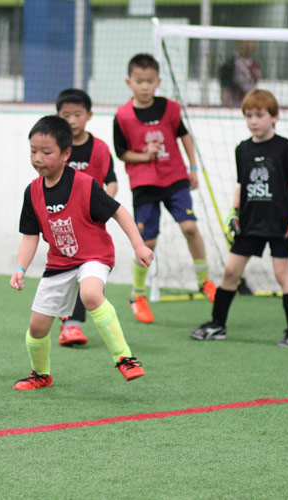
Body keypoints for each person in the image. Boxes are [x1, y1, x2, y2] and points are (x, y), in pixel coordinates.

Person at [10, 115, 153, 390]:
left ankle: (125, 358)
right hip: (59, 263)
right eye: (33, 151)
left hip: (94, 256)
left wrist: (138, 244)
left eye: (46, 152)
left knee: (90, 294)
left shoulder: (84, 184)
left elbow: (119, 211)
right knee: (37, 327)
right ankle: (41, 374)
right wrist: (20, 268)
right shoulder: (33, 192)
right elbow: (30, 236)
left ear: (65, 153)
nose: (38, 158)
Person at [191, 89, 288, 347]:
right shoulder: (242, 149)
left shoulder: (285, 147)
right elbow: (242, 184)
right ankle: (218, 324)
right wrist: (233, 211)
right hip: (249, 221)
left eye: (260, 115)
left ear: (274, 116)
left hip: (279, 222)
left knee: (281, 273)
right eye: (249, 116)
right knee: (231, 271)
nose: (254, 121)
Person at [113, 53, 216, 325]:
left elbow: (184, 137)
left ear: (157, 81)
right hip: (144, 184)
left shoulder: (171, 109)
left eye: (149, 81)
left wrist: (193, 168)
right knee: (148, 243)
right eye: (139, 81)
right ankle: (137, 294)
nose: (144, 86)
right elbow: (122, 153)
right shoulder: (122, 116)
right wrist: (145, 155)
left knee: (190, 227)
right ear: (129, 82)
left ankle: (204, 280)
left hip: (175, 178)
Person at [54, 88, 118, 347]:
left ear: (89, 115)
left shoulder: (99, 149)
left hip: (91, 223)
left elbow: (111, 183)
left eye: (77, 114)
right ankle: (66, 323)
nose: (71, 120)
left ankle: (72, 325)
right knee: (67, 273)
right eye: (65, 115)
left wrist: (102, 207)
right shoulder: (56, 148)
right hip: (61, 223)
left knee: (88, 271)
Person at [219, 40, 260, 108]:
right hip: (234, 109)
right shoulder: (229, 65)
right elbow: (225, 91)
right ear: (238, 43)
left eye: (251, 42)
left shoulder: (256, 66)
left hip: (249, 107)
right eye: (245, 42)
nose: (248, 45)